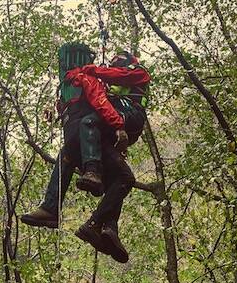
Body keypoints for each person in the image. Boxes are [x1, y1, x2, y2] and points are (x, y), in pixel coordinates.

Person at [21, 51, 150, 262]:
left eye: (118, 61)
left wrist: (90, 70)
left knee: (89, 124)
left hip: (130, 114)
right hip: (101, 126)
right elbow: (99, 98)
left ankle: (90, 182)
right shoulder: (93, 85)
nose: (113, 65)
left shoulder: (138, 73)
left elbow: (117, 78)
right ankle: (104, 227)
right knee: (107, 171)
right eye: (112, 62)